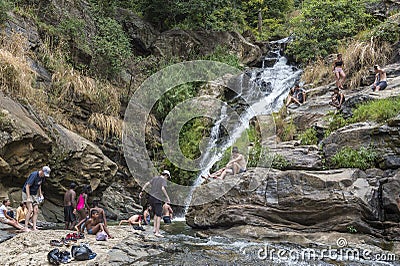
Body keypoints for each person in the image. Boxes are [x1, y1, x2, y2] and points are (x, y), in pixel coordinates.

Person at [139, 170, 171, 238]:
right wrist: (167, 197)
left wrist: (142, 191)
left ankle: (154, 229)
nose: (167, 179)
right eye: (167, 177)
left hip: (151, 198)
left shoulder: (155, 178)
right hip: (157, 198)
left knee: (155, 214)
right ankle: (157, 232)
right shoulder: (163, 180)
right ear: (166, 175)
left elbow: (146, 184)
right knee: (159, 215)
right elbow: (162, 188)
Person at [22, 166, 50, 231]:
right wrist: (28, 197)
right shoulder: (34, 175)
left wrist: (40, 194)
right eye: (44, 174)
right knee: (30, 209)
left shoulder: (42, 177)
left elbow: (39, 185)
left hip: (34, 194)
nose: (45, 176)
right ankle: (25, 227)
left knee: (36, 210)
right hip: (27, 193)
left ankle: (34, 227)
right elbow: (27, 186)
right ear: (42, 171)